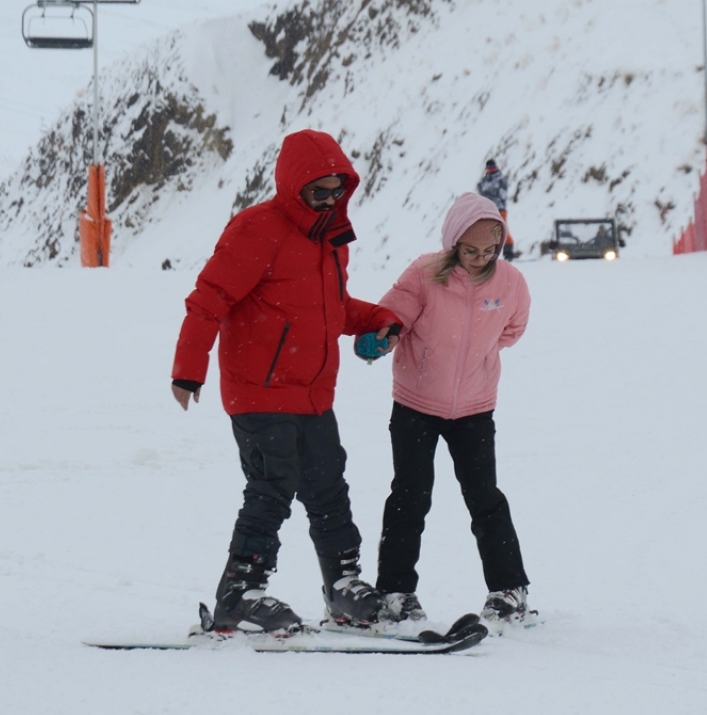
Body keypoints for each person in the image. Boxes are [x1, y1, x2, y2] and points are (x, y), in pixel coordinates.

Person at [170, 129, 403, 635]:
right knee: (271, 488)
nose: (328, 200)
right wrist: (189, 369)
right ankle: (239, 593)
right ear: (292, 186)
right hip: (259, 391)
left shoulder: (331, 241)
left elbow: (330, 310)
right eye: (319, 191)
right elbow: (208, 299)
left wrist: (378, 318)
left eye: (337, 190)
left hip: (314, 394)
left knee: (328, 490)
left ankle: (343, 587)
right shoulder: (257, 229)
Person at [371, 191, 534, 626]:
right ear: (452, 243)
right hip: (416, 405)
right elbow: (393, 314)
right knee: (409, 497)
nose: (480, 258)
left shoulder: (510, 283)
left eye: (489, 250)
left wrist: (475, 358)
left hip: (475, 408)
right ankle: (395, 593)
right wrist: (383, 336)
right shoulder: (425, 274)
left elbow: (512, 331)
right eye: (470, 250)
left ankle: (509, 591)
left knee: (485, 499)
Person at [477, 159, 518, 261]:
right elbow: (480, 194)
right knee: (488, 230)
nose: (491, 169)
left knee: (502, 229)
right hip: (487, 209)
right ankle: (488, 252)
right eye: (489, 167)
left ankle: (508, 251)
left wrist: (491, 195)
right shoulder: (484, 180)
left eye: (492, 167)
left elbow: (503, 194)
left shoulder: (500, 179)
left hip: (499, 208)